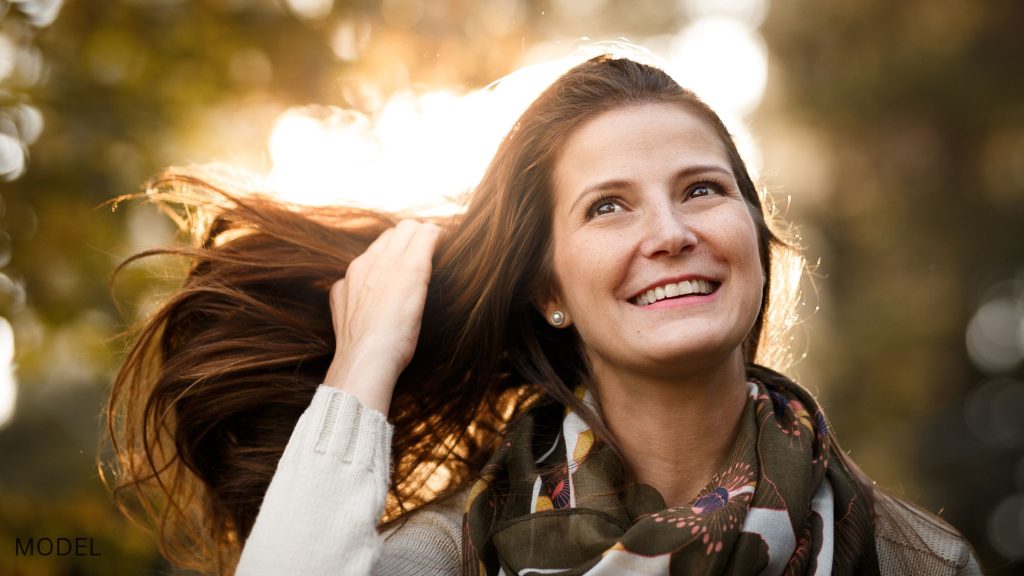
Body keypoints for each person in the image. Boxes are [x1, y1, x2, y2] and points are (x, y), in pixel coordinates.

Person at [105, 54, 982, 575]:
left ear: (753, 237)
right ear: (550, 292)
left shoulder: (915, 559)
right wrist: (361, 365)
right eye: (609, 207)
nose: (671, 233)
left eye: (701, 190)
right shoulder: (447, 555)